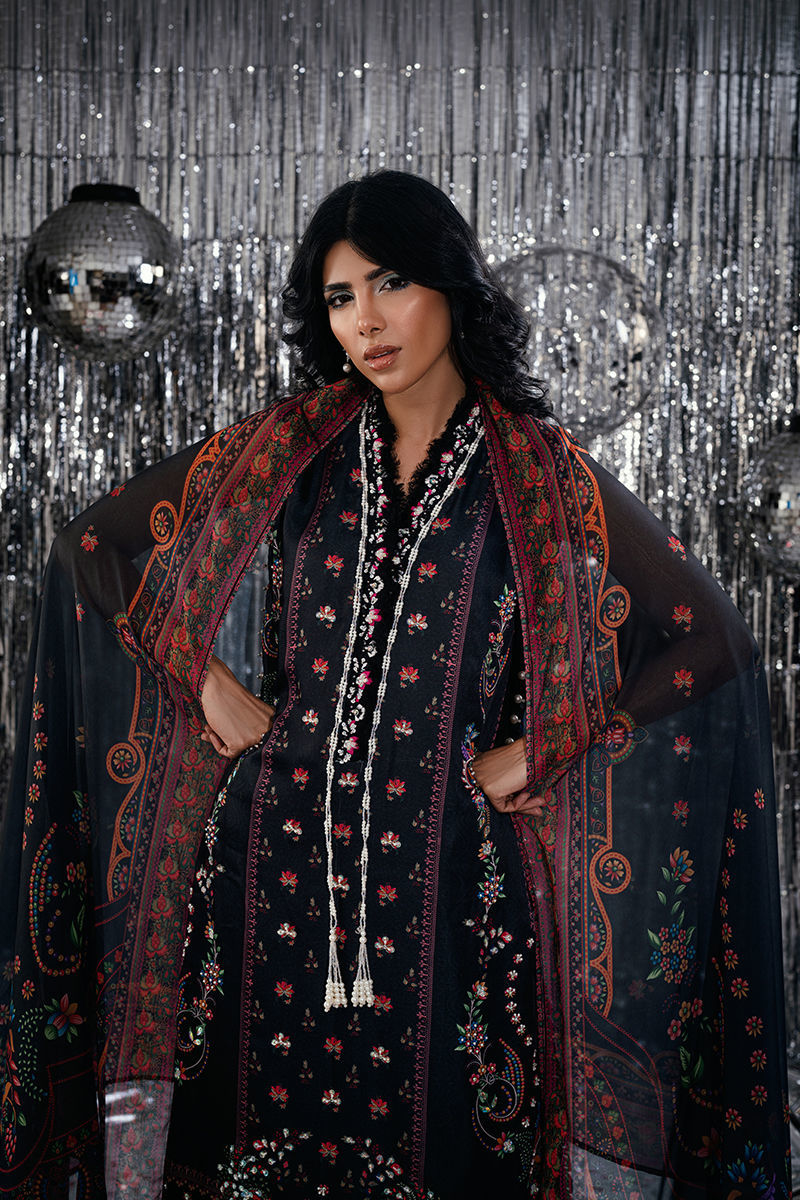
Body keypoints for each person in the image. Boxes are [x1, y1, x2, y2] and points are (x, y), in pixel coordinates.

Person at [0, 171, 791, 1200]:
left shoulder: (540, 474)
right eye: (340, 297)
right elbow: (94, 550)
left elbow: (706, 641)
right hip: (263, 875)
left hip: (457, 895)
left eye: (389, 284)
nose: (365, 322)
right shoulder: (289, 451)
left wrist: (544, 747)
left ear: (450, 285)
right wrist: (205, 680)